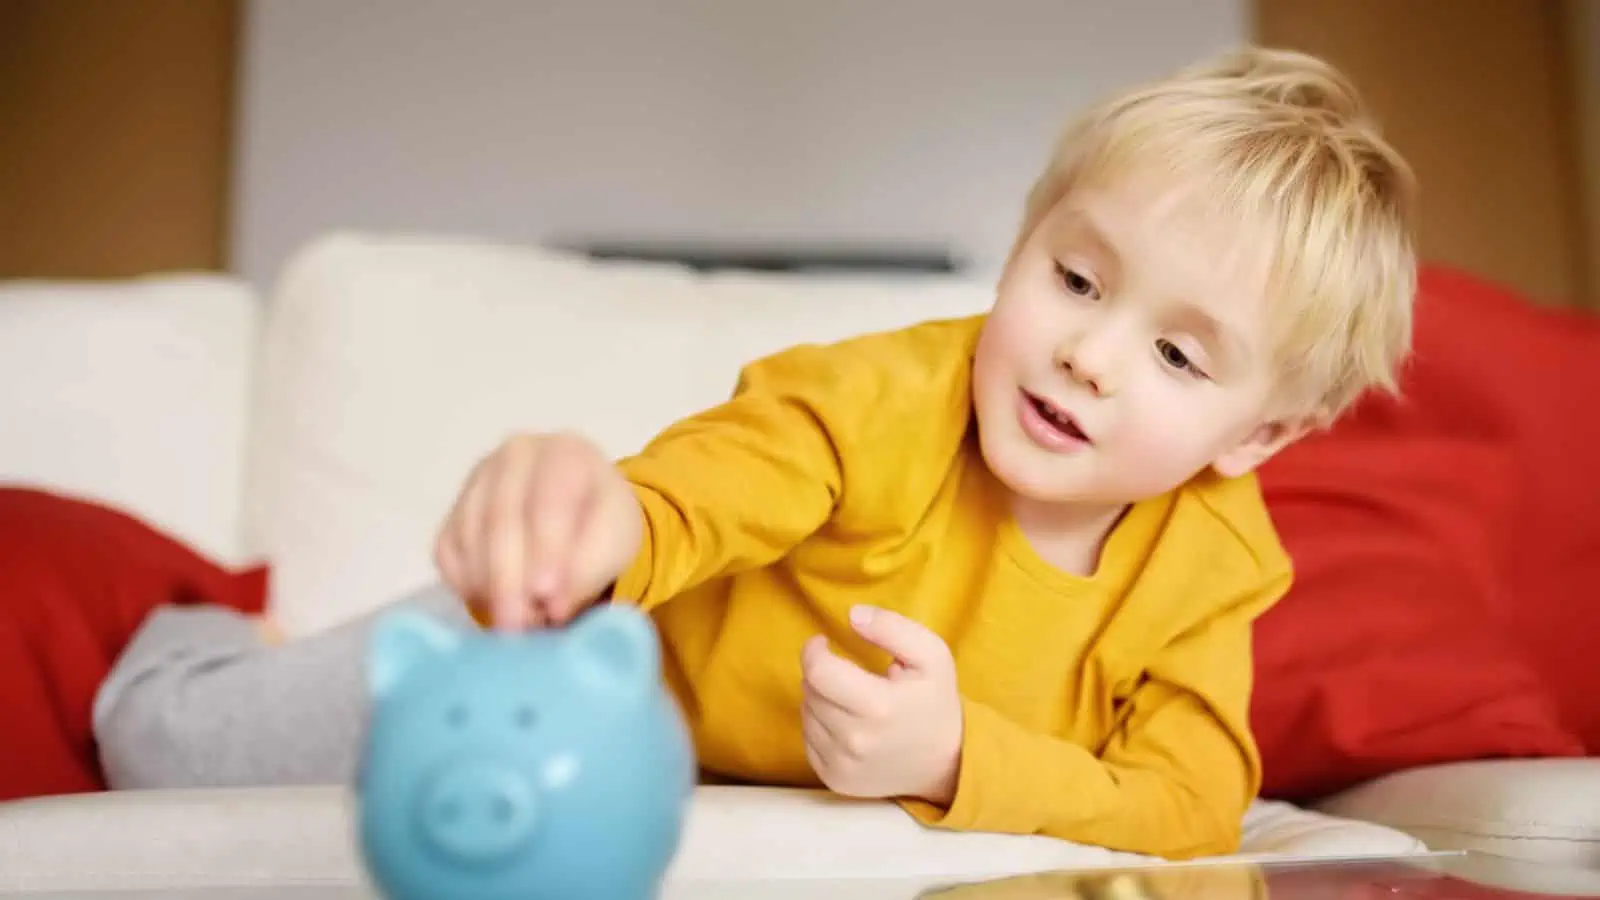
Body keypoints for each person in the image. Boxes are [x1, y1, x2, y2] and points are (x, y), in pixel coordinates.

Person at [92, 45, 1416, 861]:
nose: (1093, 355)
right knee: (160, 748)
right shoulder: (888, 397)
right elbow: (706, 489)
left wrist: (959, 759)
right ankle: (204, 625)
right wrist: (595, 521)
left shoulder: (1212, 564)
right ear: (1024, 240)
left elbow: (1192, 800)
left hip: (690, 756)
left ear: (1259, 435)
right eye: (1076, 278)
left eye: (1180, 357)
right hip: (596, 641)